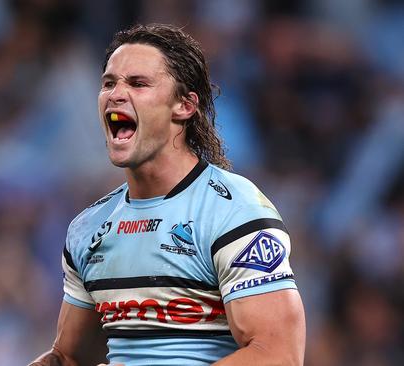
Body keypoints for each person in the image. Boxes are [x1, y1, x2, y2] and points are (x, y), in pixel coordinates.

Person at [29, 23, 306, 366]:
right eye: (108, 83)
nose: (115, 94)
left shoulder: (234, 211)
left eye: (137, 83)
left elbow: (279, 355)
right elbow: (69, 356)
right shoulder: (88, 229)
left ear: (185, 106)